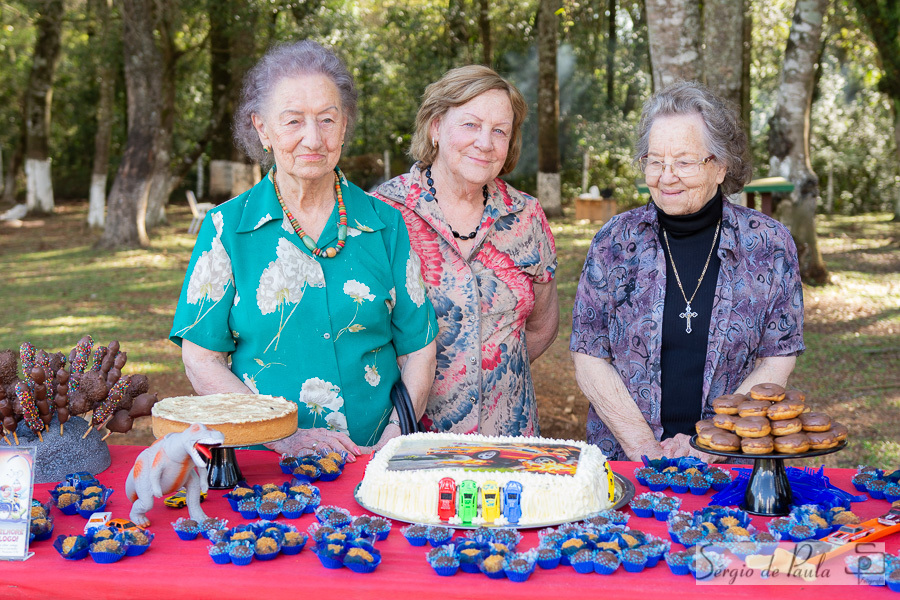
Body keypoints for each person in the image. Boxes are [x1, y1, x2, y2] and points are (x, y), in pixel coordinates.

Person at [170, 41, 437, 460]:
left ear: (344, 125)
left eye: (327, 120)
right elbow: (202, 361)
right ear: (262, 128)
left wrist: (395, 438)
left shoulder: (386, 224)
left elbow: (419, 347)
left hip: (374, 459)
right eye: (293, 121)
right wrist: (284, 440)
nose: (313, 138)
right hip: (265, 464)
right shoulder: (226, 229)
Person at [570, 81, 805, 461]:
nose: (666, 176)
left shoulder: (769, 244)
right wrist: (644, 448)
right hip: (625, 459)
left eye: (683, 161)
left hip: (733, 460)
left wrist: (711, 442)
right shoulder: (614, 241)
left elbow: (777, 356)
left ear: (720, 166)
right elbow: (589, 355)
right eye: (655, 161)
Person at [376, 65, 559, 437]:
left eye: (499, 131)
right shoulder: (383, 213)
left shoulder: (527, 216)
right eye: (470, 125)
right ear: (436, 127)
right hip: (407, 439)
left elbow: (541, 327)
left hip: (510, 438)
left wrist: (488, 377)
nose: (485, 143)